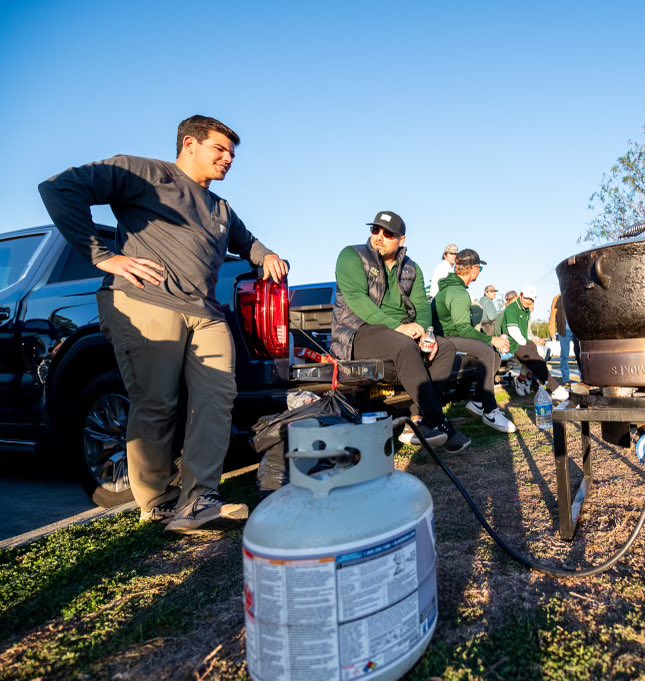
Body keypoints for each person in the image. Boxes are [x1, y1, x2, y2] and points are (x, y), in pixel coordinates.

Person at [38, 115, 288, 532]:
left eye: (232, 154)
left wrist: (267, 256)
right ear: (190, 144)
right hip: (145, 302)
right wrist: (104, 256)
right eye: (219, 150)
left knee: (217, 398)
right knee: (157, 402)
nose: (228, 160)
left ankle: (200, 499)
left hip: (205, 312)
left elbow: (248, 242)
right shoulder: (147, 173)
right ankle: (156, 501)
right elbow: (59, 189)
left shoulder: (221, 208)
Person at [332, 212, 471, 453]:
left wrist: (426, 334)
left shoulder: (412, 268)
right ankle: (440, 422)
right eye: (375, 230)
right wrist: (399, 328)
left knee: (444, 347)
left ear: (402, 240)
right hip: (358, 331)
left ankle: (419, 421)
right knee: (403, 345)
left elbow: (422, 305)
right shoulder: (352, 255)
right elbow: (357, 300)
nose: (379, 237)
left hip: (400, 333)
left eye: (388, 234)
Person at [431, 249, 516, 433]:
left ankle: (478, 401)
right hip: (445, 339)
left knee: (494, 354)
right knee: (487, 350)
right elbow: (462, 329)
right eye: (480, 269)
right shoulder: (458, 292)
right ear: (474, 269)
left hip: (448, 336)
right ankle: (490, 410)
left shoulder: (454, 288)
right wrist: (491, 338)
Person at [500, 287, 570, 401]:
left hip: (521, 342)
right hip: (510, 343)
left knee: (540, 352)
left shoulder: (526, 310)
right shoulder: (511, 309)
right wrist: (528, 345)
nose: (528, 301)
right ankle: (555, 388)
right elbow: (513, 331)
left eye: (531, 300)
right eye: (527, 298)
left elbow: (524, 332)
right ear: (521, 295)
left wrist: (530, 344)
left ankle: (523, 381)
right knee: (535, 358)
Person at [548, 294, 580, 386]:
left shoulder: (575, 295)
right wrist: (552, 331)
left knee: (579, 354)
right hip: (563, 331)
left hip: (576, 330)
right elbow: (553, 315)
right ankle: (566, 379)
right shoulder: (557, 298)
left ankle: (583, 377)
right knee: (564, 356)